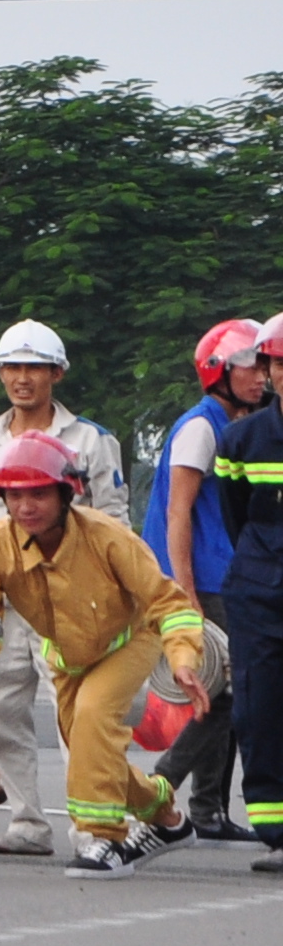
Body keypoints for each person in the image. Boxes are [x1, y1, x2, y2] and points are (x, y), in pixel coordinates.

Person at [0, 437, 205, 876]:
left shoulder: (107, 538)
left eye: (38, 493)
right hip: (68, 658)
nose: (25, 506)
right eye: (14, 495)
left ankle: (105, 840)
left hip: (128, 641)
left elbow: (168, 602)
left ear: (65, 492)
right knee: (92, 750)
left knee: (93, 717)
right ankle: (166, 817)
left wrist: (184, 658)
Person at [0, 322, 128, 858]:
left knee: (78, 715)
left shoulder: (90, 441)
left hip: (74, 601)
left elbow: (115, 526)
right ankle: (26, 821)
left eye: (34, 368)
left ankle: (92, 825)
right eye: (12, 368)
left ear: (57, 372)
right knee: (2, 707)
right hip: (3, 603)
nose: (22, 379)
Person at [146, 318, 263, 843]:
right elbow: (178, 514)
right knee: (224, 695)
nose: (261, 377)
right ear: (218, 372)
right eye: (250, 367)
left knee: (226, 692)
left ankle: (210, 809)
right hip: (201, 582)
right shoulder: (202, 427)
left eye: (266, 366)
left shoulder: (235, 425)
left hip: (227, 577)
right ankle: (162, 782)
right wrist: (186, 596)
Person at [203, 335, 283, 869]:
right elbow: (236, 515)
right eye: (280, 362)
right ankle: (277, 829)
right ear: (269, 369)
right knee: (259, 709)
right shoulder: (241, 439)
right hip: (259, 591)